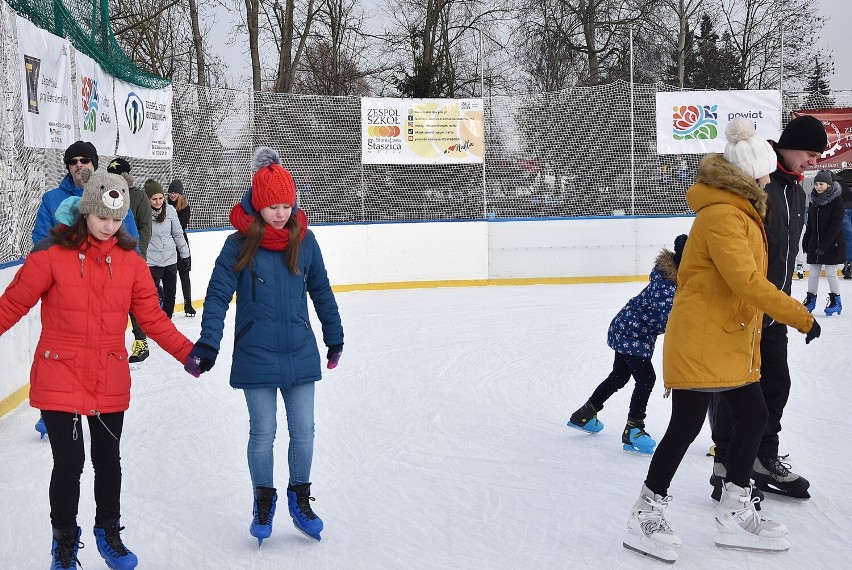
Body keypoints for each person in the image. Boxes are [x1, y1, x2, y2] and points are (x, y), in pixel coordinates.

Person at [623, 118, 821, 563]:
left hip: (730, 336)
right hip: (702, 338)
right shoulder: (722, 216)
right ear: (751, 175)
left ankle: (735, 506)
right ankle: (646, 510)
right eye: (766, 172)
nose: (771, 179)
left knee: (753, 415)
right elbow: (747, 281)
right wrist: (800, 316)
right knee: (686, 425)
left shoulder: (743, 211)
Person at [0, 169, 202, 570]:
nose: (109, 226)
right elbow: (12, 304)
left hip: (108, 374)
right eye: (101, 217)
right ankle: (64, 542)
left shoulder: (130, 262)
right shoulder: (51, 255)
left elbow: (155, 319)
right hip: (59, 372)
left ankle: (108, 532)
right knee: (69, 463)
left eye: (116, 218)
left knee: (109, 461)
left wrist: (187, 353)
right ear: (86, 211)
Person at [186, 147, 343, 545]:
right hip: (255, 351)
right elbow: (218, 294)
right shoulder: (239, 244)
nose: (279, 213)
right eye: (272, 205)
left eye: (286, 205)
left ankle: (300, 497)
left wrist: (334, 335)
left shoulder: (305, 243)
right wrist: (209, 342)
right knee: (263, 431)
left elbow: (321, 291)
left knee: (304, 431)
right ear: (258, 204)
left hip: (299, 350)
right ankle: (263, 500)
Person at [709, 114, 829, 502]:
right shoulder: (755, 182)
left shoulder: (796, 190)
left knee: (776, 384)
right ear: (789, 145)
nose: (814, 162)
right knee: (735, 387)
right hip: (744, 307)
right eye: (810, 153)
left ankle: (762, 459)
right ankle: (726, 465)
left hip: (773, 307)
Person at [32, 142, 141, 440]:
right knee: (63, 351)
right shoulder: (53, 199)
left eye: (85, 160)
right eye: (73, 161)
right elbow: (40, 243)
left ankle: (93, 403)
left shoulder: (113, 194)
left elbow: (130, 242)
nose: (79, 165)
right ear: (68, 166)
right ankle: (56, 407)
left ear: (94, 163)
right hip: (66, 296)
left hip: (104, 294)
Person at [568, 234, 687, 455]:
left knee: (619, 376)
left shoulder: (671, 282)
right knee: (646, 378)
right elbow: (673, 320)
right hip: (632, 333)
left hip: (627, 328)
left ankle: (584, 414)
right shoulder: (667, 287)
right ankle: (634, 428)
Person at [107, 158, 154, 364]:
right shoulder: (104, 196)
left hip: (132, 258)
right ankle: (113, 346)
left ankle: (141, 341)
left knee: (134, 303)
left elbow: (146, 227)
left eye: (119, 175)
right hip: (109, 260)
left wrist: (138, 252)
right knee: (113, 305)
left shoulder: (138, 197)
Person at [144, 179, 190, 320]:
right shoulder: (143, 212)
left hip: (170, 259)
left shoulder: (170, 210)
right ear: (148, 199)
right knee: (150, 295)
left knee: (170, 295)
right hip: (151, 260)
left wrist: (185, 254)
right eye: (154, 199)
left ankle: (167, 322)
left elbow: (177, 233)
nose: (158, 202)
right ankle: (151, 321)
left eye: (160, 198)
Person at [801, 170, 845, 315]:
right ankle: (810, 300)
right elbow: (811, 225)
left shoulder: (837, 202)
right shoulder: (814, 201)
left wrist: (824, 246)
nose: (818, 187)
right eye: (816, 184)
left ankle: (835, 301)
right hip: (815, 243)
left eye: (821, 184)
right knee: (813, 273)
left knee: (831, 273)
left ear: (829, 185)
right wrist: (806, 241)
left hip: (832, 244)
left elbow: (835, 227)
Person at [167, 179, 196, 316]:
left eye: (175, 193)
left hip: (181, 243)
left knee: (184, 274)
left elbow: (182, 224)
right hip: (168, 243)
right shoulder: (164, 205)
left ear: (180, 194)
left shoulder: (185, 207)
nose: (172, 195)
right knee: (169, 275)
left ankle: (188, 304)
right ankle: (168, 305)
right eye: (171, 192)